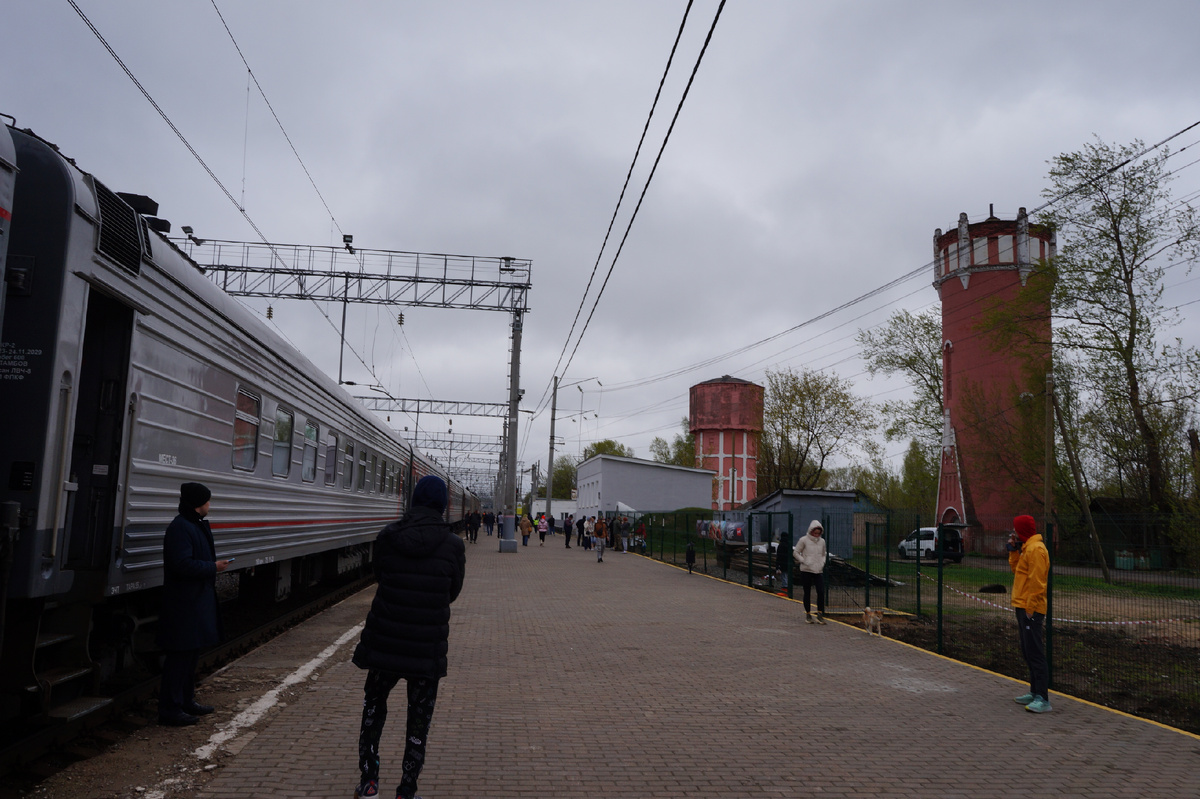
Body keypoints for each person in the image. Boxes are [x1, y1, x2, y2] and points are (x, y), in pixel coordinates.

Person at [352, 475, 466, 799]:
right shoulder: (454, 546)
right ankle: (406, 790)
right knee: (418, 721)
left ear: (413, 500)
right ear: (443, 505)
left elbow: (380, 576)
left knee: (373, 710)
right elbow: (452, 592)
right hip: (426, 647)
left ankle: (370, 781)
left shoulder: (388, 536)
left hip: (384, 641)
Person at [158, 482, 231, 726]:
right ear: (198, 504)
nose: (210, 505)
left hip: (194, 602)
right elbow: (181, 565)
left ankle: (186, 700)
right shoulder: (181, 528)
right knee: (180, 657)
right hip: (184, 604)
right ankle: (170, 709)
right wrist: (213, 567)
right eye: (208, 501)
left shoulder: (192, 525)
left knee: (191, 655)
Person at [1009, 514, 1051, 713]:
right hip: (1022, 605)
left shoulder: (1036, 550)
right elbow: (1017, 571)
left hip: (1030, 608)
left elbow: (1038, 583)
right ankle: (1035, 692)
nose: (1014, 534)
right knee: (1027, 650)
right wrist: (1013, 552)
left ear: (1022, 530)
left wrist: (1030, 608)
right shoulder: (1026, 549)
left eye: (1016, 530)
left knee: (1035, 652)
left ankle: (1043, 697)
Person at [793, 520, 827, 624]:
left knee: (820, 592)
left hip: (818, 570)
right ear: (811, 531)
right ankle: (808, 614)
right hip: (806, 570)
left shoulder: (822, 542)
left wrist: (822, 563)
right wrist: (803, 560)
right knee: (807, 592)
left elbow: (823, 554)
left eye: (818, 533)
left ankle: (820, 614)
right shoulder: (804, 540)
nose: (816, 535)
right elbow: (795, 552)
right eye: (815, 533)